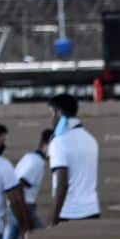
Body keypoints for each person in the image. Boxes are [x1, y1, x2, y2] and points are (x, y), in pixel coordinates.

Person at [47, 93, 99, 225]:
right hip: (92, 212)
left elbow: (62, 184)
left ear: (58, 113)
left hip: (68, 214)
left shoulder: (59, 143)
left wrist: (52, 220)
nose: (51, 119)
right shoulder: (90, 140)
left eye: (51, 114)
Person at [3, 129, 52, 239]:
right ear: (47, 144)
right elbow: (18, 187)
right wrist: (24, 217)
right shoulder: (35, 162)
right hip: (23, 207)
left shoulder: (31, 158)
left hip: (19, 206)